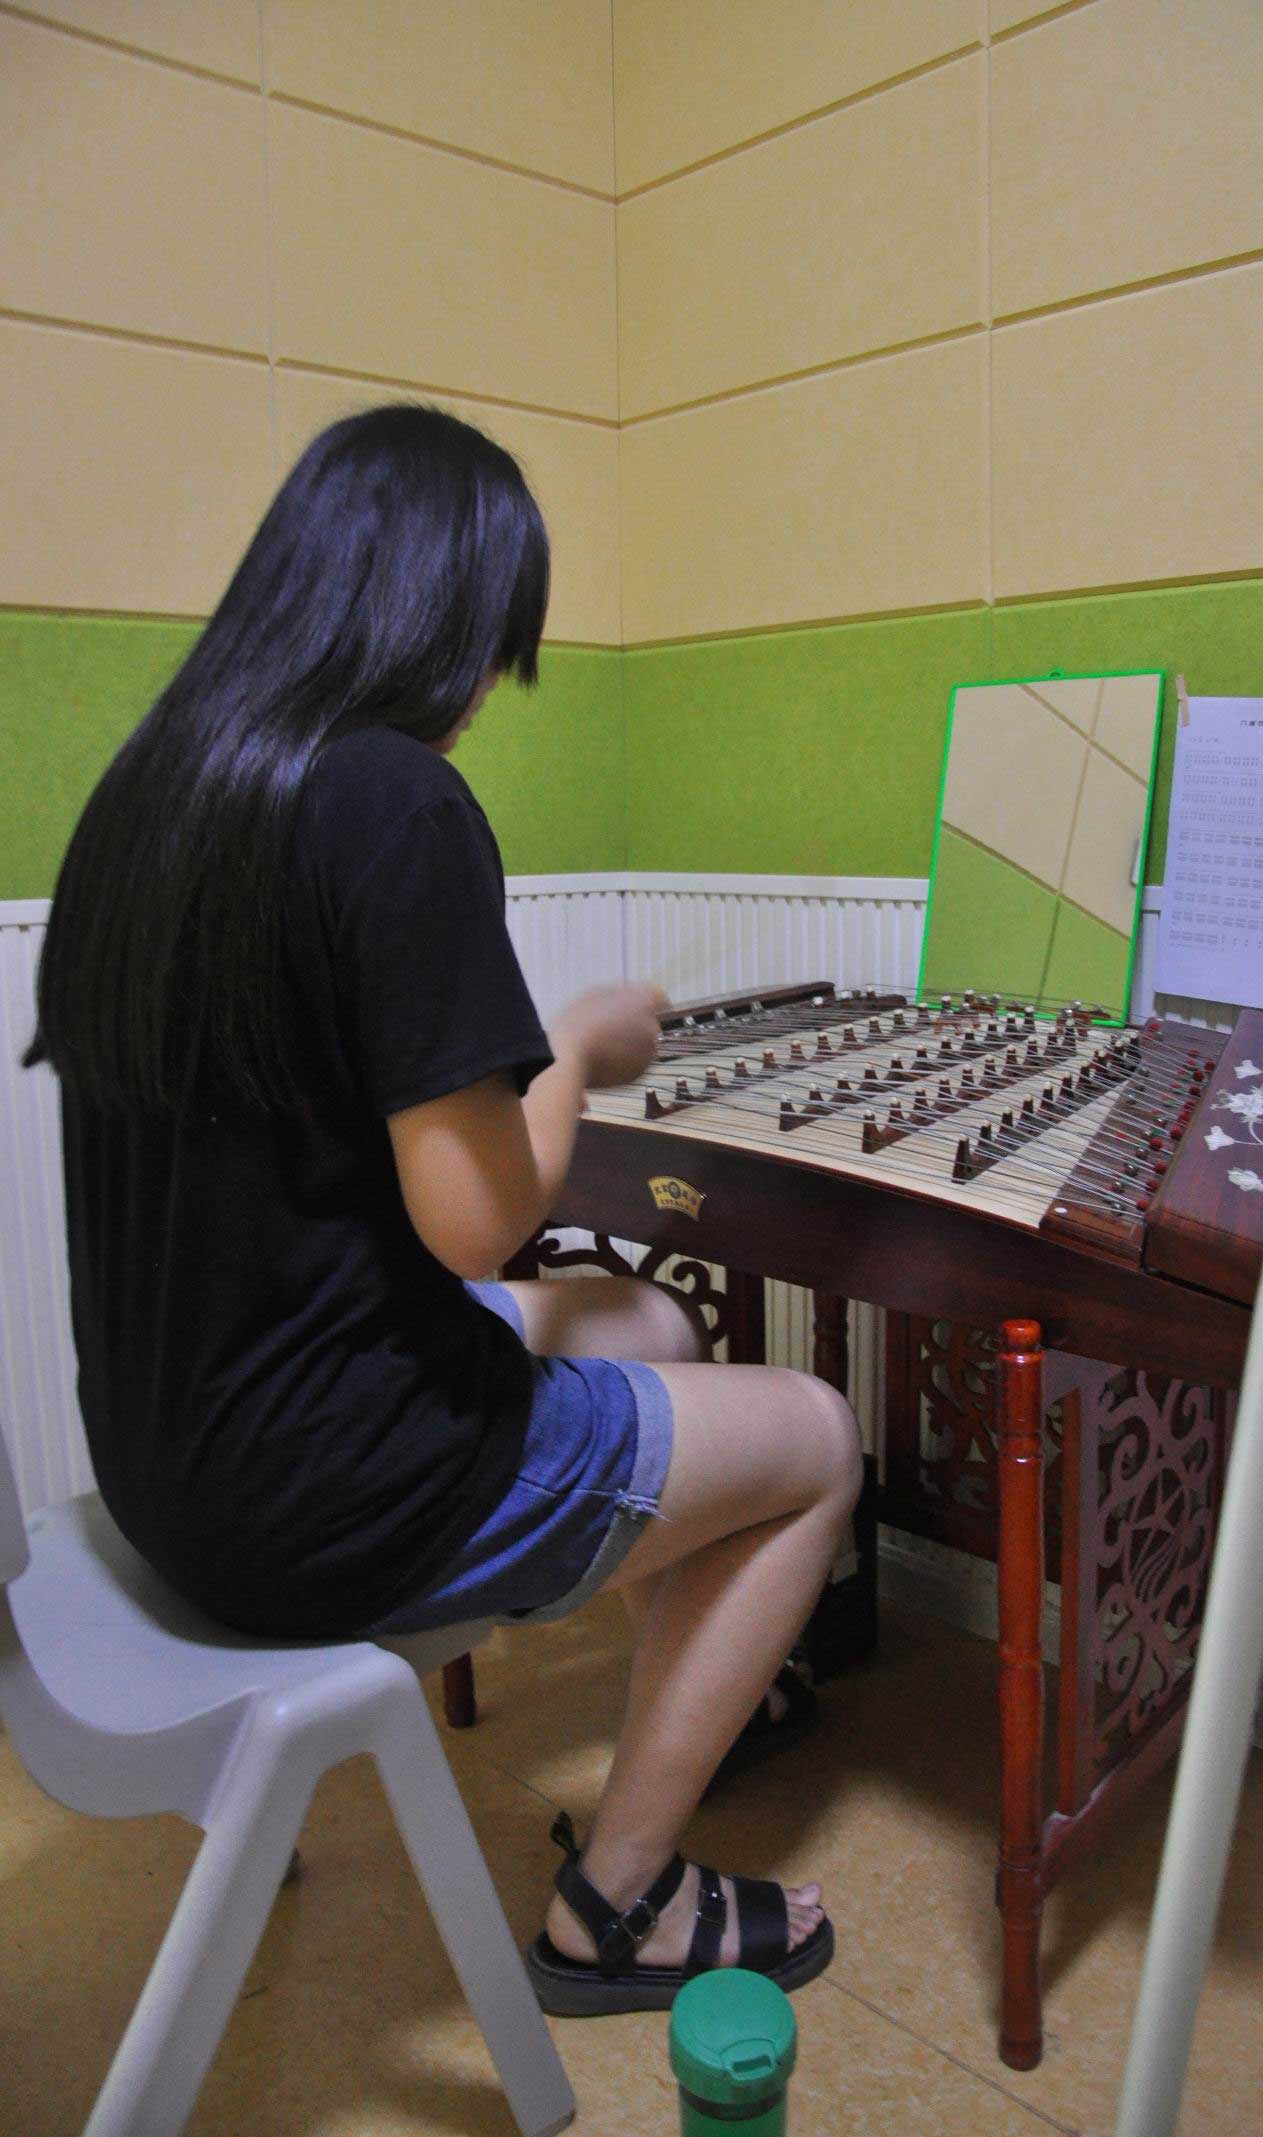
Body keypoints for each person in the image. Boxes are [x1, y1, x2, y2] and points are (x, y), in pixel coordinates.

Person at [26, 404, 862, 2013]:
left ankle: (711, 1684)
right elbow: (478, 1223)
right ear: (432, 613)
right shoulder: (390, 801)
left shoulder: (151, 801)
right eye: (494, 642)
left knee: (647, 1318)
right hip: (325, 1495)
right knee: (819, 1441)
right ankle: (622, 1906)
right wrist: (576, 1053)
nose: (488, 688)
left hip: (166, 1463)